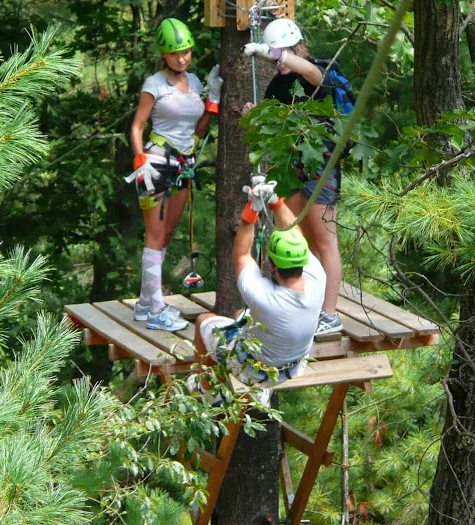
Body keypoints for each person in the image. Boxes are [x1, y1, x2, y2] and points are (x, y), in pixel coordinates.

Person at [242, 18, 343, 336]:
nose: (279, 58)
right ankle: (308, 304)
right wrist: (254, 117)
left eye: (283, 51)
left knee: (325, 241)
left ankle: (329, 313)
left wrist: (277, 55)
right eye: (275, 53)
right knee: (300, 240)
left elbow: (315, 76)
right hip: (293, 167)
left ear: (295, 48)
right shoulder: (276, 86)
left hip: (320, 167)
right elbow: (274, 134)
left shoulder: (314, 72)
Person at [190, 179, 326, 403]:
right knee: (238, 316)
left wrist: (250, 212)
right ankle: (260, 390)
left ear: (271, 265)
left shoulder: (265, 298)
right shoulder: (317, 277)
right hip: (292, 367)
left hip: (252, 369)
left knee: (204, 321)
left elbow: (242, 254)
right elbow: (295, 236)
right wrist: (274, 200)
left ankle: (207, 391)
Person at [128, 18, 222, 332]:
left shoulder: (194, 82)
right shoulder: (154, 84)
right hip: (156, 163)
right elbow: (137, 126)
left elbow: (199, 130)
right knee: (154, 238)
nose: (181, 58)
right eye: (175, 53)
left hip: (183, 165)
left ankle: (145, 303)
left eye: (186, 52)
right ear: (164, 55)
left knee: (165, 236)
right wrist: (140, 159)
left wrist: (213, 100)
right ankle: (156, 309)